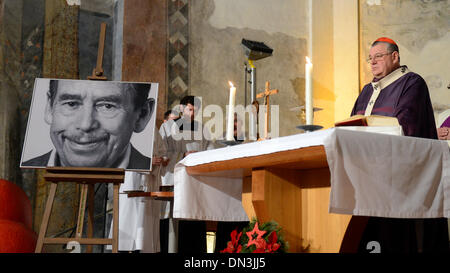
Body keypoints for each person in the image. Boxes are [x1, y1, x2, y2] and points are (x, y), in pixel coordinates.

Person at [351, 37, 449, 253]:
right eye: (370, 58)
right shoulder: (367, 90)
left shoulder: (412, 83)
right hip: (365, 171)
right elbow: (351, 123)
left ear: (394, 57)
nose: (373, 62)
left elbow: (406, 126)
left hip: (399, 174)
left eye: (379, 56)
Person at [22, 79, 154, 170]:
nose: (86, 125)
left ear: (142, 115)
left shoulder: (158, 175)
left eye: (108, 106)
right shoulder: (28, 168)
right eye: (71, 104)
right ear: (50, 108)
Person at [159, 95, 215, 253]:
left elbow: (210, 150)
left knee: (193, 230)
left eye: (195, 111)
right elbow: (161, 153)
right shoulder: (167, 128)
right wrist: (182, 156)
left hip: (194, 185)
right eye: (189, 110)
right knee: (170, 228)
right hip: (173, 184)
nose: (192, 114)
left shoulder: (202, 128)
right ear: (181, 108)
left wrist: (203, 157)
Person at [108, 128, 169, 253]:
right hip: (132, 180)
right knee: (128, 219)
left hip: (149, 180)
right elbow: (122, 152)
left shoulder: (154, 129)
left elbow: (162, 151)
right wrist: (147, 162)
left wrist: (162, 160)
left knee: (144, 223)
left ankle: (141, 248)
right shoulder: (129, 126)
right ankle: (123, 248)